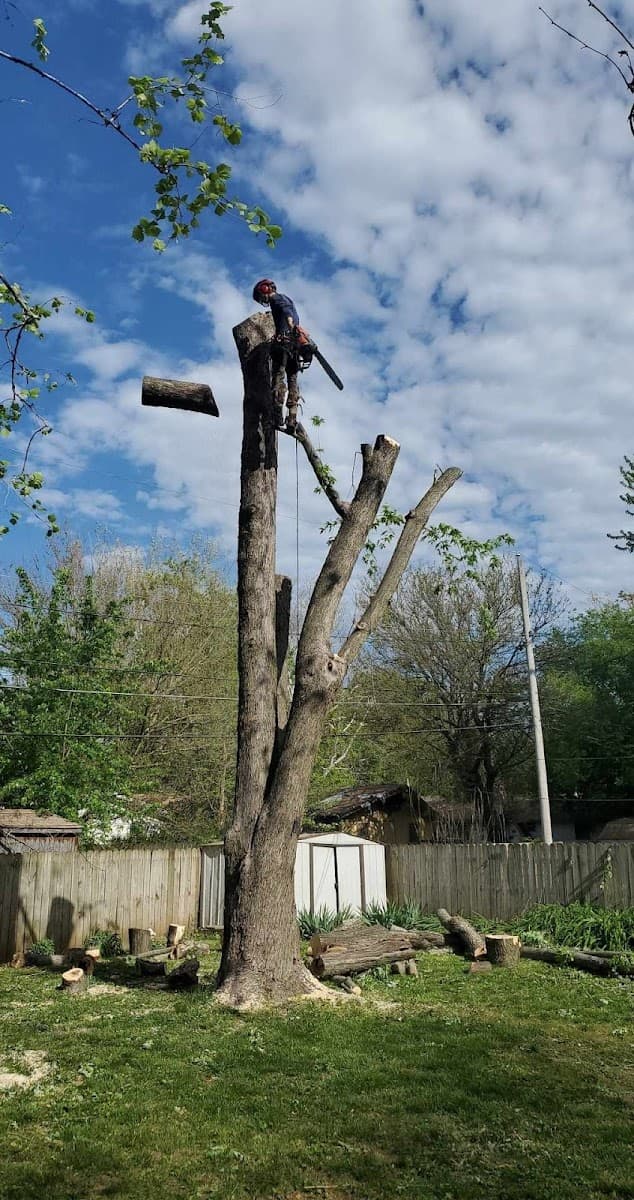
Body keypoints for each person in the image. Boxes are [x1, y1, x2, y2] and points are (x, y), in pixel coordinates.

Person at [252, 278, 301, 431]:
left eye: (261, 296)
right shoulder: (287, 298)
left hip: (283, 344)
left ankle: (277, 416)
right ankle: (292, 418)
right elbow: (288, 310)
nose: (263, 299)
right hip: (295, 346)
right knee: (293, 381)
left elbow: (286, 311)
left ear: (265, 289)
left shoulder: (276, 299)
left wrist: (290, 324)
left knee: (278, 379)